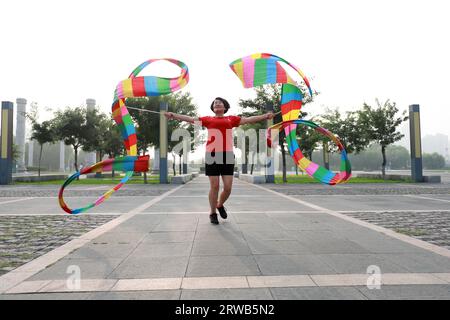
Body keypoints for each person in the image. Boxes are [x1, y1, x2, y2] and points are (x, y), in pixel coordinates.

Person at [165, 97, 274, 224]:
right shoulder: (207, 120)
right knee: (215, 186)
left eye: (219, 102)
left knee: (228, 188)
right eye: (215, 103)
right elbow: (189, 119)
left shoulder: (231, 119)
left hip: (227, 155)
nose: (217, 104)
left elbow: (249, 119)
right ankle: (212, 212)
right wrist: (173, 115)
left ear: (224, 107)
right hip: (211, 155)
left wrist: (266, 116)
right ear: (213, 108)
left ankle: (219, 204)